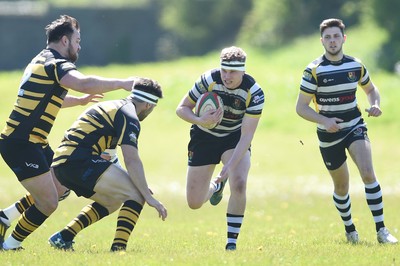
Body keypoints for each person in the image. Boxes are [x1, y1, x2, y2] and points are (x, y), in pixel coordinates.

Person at [0, 14, 137, 251]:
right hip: (20, 143)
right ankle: (10, 246)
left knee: (61, 186)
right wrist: (123, 83)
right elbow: (83, 82)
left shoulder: (40, 61)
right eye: (77, 40)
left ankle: (4, 218)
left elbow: (49, 99)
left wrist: (80, 101)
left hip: (35, 142)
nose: (79, 45)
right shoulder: (56, 63)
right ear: (65, 40)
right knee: (48, 201)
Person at [295, 18, 398, 244]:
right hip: (328, 133)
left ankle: (382, 230)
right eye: (328, 37)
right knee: (341, 186)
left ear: (344, 38)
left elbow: (371, 89)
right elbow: (300, 108)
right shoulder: (314, 70)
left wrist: (376, 104)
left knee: (368, 173)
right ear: (322, 40)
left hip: (355, 125)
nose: (333, 41)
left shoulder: (355, 65)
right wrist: (324, 120)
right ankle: (350, 230)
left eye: (336, 36)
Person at [47, 77, 167, 251]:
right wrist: (147, 196)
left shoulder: (116, 106)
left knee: (114, 199)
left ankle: (63, 237)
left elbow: (108, 157)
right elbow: (131, 159)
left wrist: (137, 183)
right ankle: (118, 250)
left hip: (64, 163)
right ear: (149, 105)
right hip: (78, 161)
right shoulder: (129, 116)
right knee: (136, 195)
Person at [176, 46, 264, 251]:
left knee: (239, 182)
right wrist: (200, 119)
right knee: (194, 202)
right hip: (204, 137)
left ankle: (231, 243)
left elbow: (247, 135)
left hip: (234, 138)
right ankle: (216, 187)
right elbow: (181, 108)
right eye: (224, 70)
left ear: (243, 70)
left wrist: (230, 167)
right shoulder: (208, 80)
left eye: (232, 71)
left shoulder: (254, 93)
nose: (226, 76)